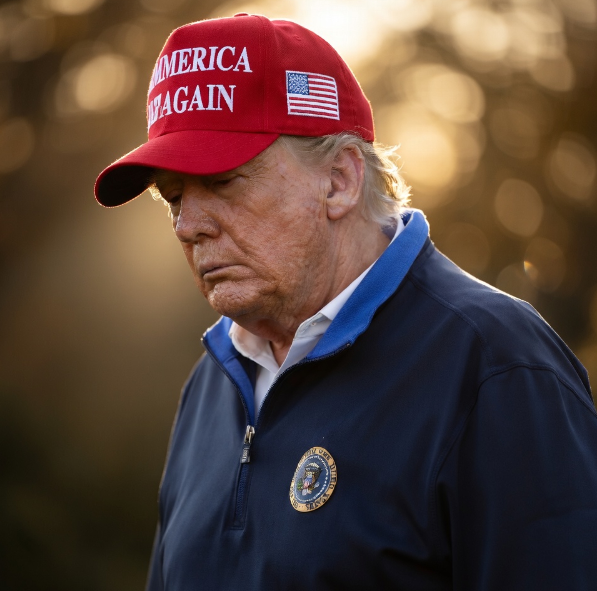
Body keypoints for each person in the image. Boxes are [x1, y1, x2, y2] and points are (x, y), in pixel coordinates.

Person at [94, 14, 597, 591]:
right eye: (173, 196)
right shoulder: (212, 384)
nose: (188, 226)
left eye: (224, 180)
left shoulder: (495, 367)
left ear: (339, 181)